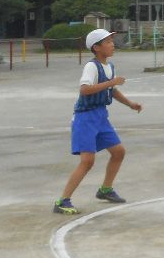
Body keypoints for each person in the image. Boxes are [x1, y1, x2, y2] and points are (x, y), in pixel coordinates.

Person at [53, 29, 143, 215]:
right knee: (87, 161)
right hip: (85, 118)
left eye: (111, 40)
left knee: (118, 152)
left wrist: (130, 104)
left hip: (101, 116)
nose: (112, 44)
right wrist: (111, 83)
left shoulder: (110, 67)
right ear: (96, 47)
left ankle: (105, 190)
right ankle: (63, 201)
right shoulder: (92, 67)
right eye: (108, 42)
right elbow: (85, 90)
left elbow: (112, 92)